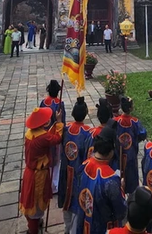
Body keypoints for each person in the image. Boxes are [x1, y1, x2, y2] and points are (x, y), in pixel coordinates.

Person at [76, 124, 127, 234]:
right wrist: (122, 190)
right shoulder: (111, 180)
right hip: (101, 227)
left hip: (85, 221)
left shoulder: (84, 165)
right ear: (111, 151)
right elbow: (121, 212)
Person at [20, 107, 64, 234]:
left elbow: (48, 135)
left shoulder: (29, 134)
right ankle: (33, 229)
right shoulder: (43, 138)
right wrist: (59, 122)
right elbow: (57, 139)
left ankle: (34, 224)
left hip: (29, 172)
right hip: (38, 175)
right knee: (36, 202)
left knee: (29, 199)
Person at [59, 98, 92, 234]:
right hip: (79, 174)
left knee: (67, 201)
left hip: (66, 171)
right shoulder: (87, 132)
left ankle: (67, 229)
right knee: (77, 204)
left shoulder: (66, 129)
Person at [40, 80, 66, 193]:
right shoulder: (59, 104)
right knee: (56, 161)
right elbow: (62, 121)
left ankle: (46, 183)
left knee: (46, 159)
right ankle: (54, 185)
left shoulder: (43, 102)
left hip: (44, 135)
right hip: (55, 136)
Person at [116, 97, 147, 194]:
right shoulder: (135, 122)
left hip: (118, 154)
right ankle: (132, 196)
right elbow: (143, 134)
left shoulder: (115, 121)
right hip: (131, 154)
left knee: (118, 172)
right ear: (131, 108)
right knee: (132, 175)